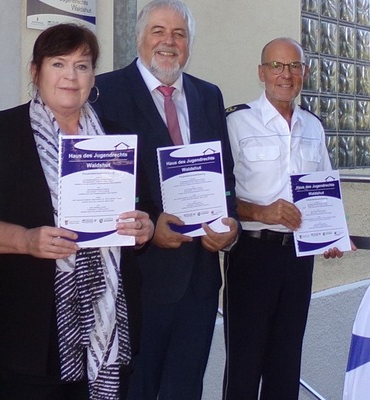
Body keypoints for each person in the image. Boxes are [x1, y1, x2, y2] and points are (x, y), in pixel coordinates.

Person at [0, 24, 154, 400]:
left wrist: (143, 228)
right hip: (22, 339)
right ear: (35, 71)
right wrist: (26, 240)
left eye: (82, 66)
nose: (71, 76)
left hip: (105, 335)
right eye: (58, 63)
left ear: (93, 76)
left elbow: (145, 211)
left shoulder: (116, 139)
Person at [92, 1, 240, 399]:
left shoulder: (208, 95)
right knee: (135, 390)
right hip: (139, 281)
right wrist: (148, 224)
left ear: (189, 43)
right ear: (140, 38)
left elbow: (225, 176)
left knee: (185, 389)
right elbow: (101, 182)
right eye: (158, 31)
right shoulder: (105, 92)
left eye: (179, 34)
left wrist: (231, 225)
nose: (168, 42)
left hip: (199, 282)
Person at [222, 37, 351, 400]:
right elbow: (219, 195)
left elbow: (323, 193)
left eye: (294, 66)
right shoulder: (237, 122)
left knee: (286, 363)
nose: (286, 74)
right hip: (252, 254)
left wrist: (330, 236)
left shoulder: (313, 126)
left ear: (304, 73)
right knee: (245, 365)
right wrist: (261, 211)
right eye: (277, 66)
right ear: (262, 72)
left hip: (298, 258)